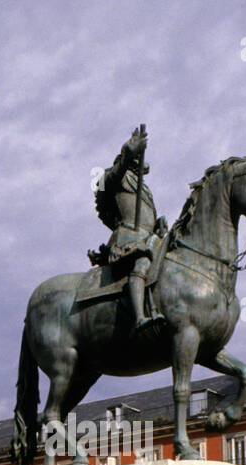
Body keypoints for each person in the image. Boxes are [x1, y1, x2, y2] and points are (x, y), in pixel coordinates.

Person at [90, 126, 166, 334]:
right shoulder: (112, 178)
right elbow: (112, 177)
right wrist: (128, 151)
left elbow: (146, 217)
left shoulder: (144, 189)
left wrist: (158, 224)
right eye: (135, 163)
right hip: (127, 239)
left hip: (150, 238)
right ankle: (139, 318)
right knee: (141, 263)